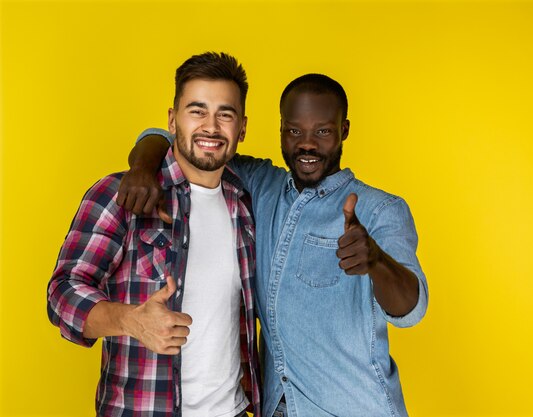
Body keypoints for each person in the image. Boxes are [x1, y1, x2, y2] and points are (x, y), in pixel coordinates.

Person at [119, 74, 428, 417]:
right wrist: (143, 167)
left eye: (323, 131)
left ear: (344, 130)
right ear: (281, 129)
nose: (307, 144)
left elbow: (411, 309)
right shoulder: (261, 185)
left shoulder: (380, 209)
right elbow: (185, 142)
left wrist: (376, 260)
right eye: (295, 131)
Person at [47, 52, 261, 417]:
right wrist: (129, 319)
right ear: (172, 119)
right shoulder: (123, 193)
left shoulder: (245, 204)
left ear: (241, 127)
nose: (211, 126)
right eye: (197, 110)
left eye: (224, 114)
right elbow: (62, 292)